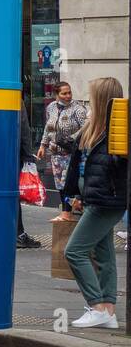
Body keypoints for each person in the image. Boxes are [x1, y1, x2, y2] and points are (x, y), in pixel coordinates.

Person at [61, 76, 127, 329]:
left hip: (106, 201)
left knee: (74, 251)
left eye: (91, 96)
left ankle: (96, 305)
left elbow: (117, 169)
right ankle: (108, 311)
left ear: (102, 100)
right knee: (104, 253)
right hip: (94, 199)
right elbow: (77, 168)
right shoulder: (92, 128)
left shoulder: (118, 131)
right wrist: (72, 199)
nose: (87, 101)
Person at [38, 81, 87, 196]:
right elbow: (48, 127)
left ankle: (68, 211)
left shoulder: (78, 108)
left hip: (71, 153)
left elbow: (86, 129)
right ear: (57, 95)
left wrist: (71, 138)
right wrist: (43, 145)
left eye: (69, 93)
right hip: (56, 154)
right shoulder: (51, 107)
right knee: (60, 184)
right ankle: (65, 211)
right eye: (64, 94)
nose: (68, 96)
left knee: (70, 184)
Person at [17, 99, 41, 248]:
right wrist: (28, 156)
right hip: (13, 157)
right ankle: (19, 235)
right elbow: (24, 129)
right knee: (13, 197)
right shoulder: (15, 99)